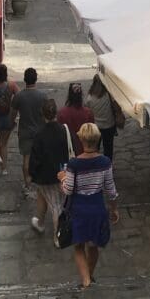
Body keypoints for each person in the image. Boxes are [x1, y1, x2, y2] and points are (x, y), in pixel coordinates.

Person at [59, 122, 119, 289]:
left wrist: (62, 179)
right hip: (97, 207)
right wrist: (114, 208)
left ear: (81, 139)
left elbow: (69, 190)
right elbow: (110, 189)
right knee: (93, 245)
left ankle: (85, 280)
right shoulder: (105, 162)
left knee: (79, 245)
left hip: (79, 208)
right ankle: (90, 276)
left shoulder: (74, 164)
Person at [28, 98, 70, 236]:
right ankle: (39, 222)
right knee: (43, 196)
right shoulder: (63, 130)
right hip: (61, 172)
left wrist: (32, 174)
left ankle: (58, 237)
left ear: (43, 114)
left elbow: (35, 157)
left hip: (45, 175)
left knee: (55, 207)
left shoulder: (39, 134)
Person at [10, 67, 46, 197]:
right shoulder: (43, 96)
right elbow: (46, 115)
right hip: (40, 132)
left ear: (25, 79)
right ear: (36, 79)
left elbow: (12, 115)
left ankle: (27, 184)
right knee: (40, 158)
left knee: (26, 158)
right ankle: (40, 182)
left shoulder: (19, 96)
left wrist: (11, 124)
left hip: (25, 131)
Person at [85, 74, 120, 161]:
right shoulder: (108, 94)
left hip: (96, 127)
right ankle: (108, 166)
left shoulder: (89, 98)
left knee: (95, 148)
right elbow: (116, 105)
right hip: (109, 125)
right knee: (108, 148)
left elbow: (88, 111)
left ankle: (96, 166)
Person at [57, 82, 94, 153]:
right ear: (81, 95)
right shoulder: (88, 113)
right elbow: (91, 134)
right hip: (85, 149)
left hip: (68, 149)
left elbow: (59, 135)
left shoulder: (61, 113)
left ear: (69, 95)